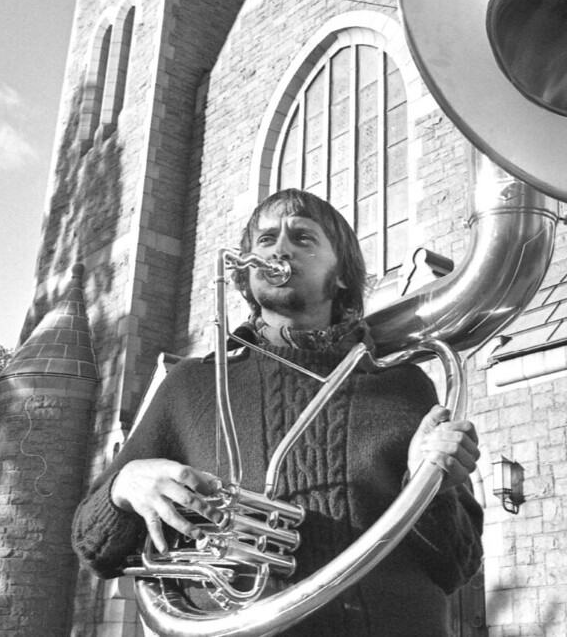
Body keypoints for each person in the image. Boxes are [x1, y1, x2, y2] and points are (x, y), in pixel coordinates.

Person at [72, 189, 484, 636]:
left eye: (303, 238)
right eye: (266, 239)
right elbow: (93, 547)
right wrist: (124, 487)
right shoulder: (190, 384)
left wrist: (429, 487)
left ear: (342, 277)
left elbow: (457, 566)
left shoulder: (404, 385)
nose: (279, 249)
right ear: (245, 271)